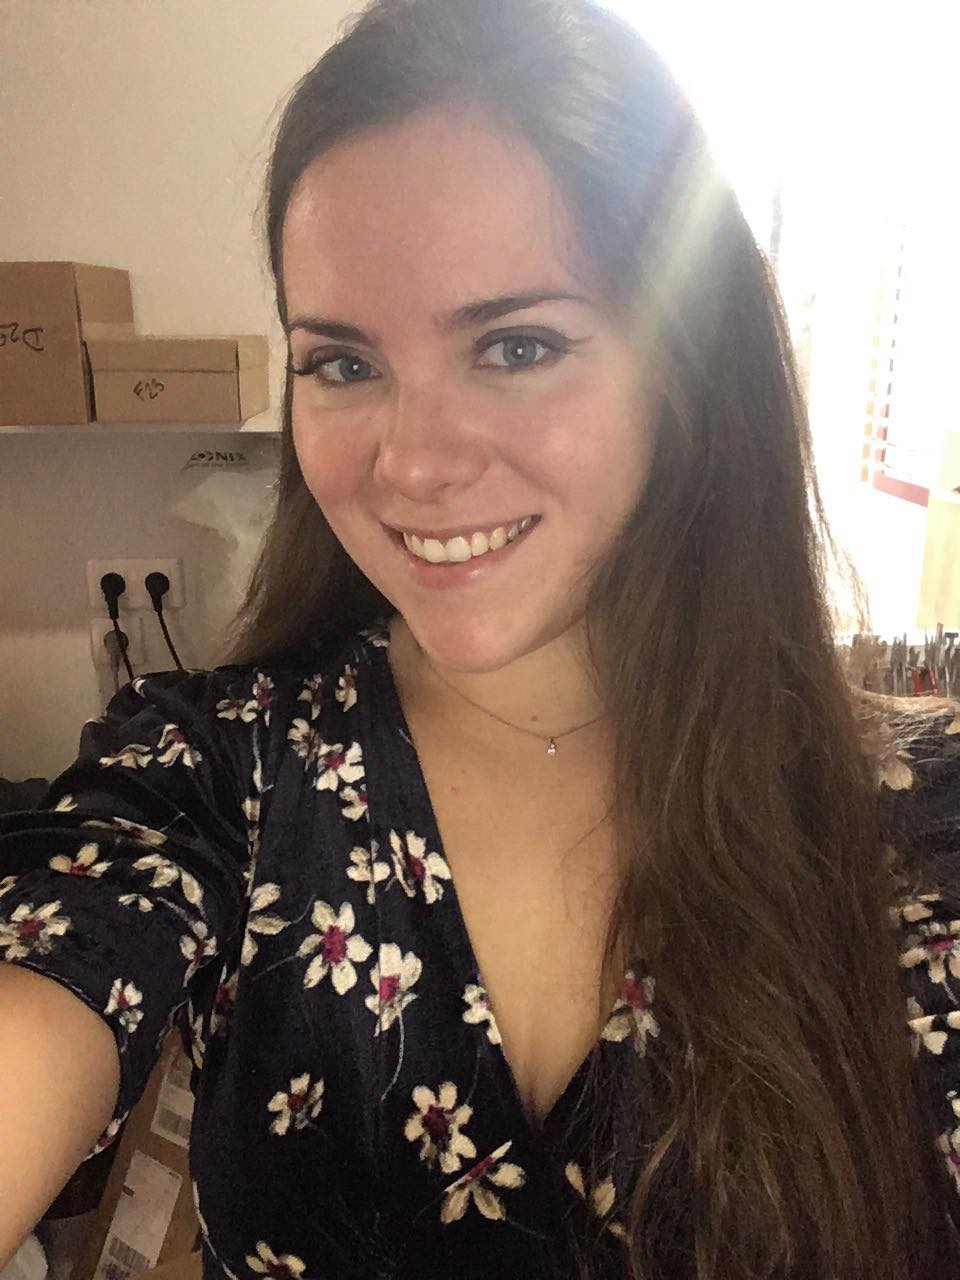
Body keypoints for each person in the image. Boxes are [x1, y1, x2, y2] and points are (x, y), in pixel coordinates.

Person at [3, 0, 960, 1276]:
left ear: (684, 364)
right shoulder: (219, 774)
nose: (412, 462)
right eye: (343, 363)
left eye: (516, 344)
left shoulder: (919, 830)